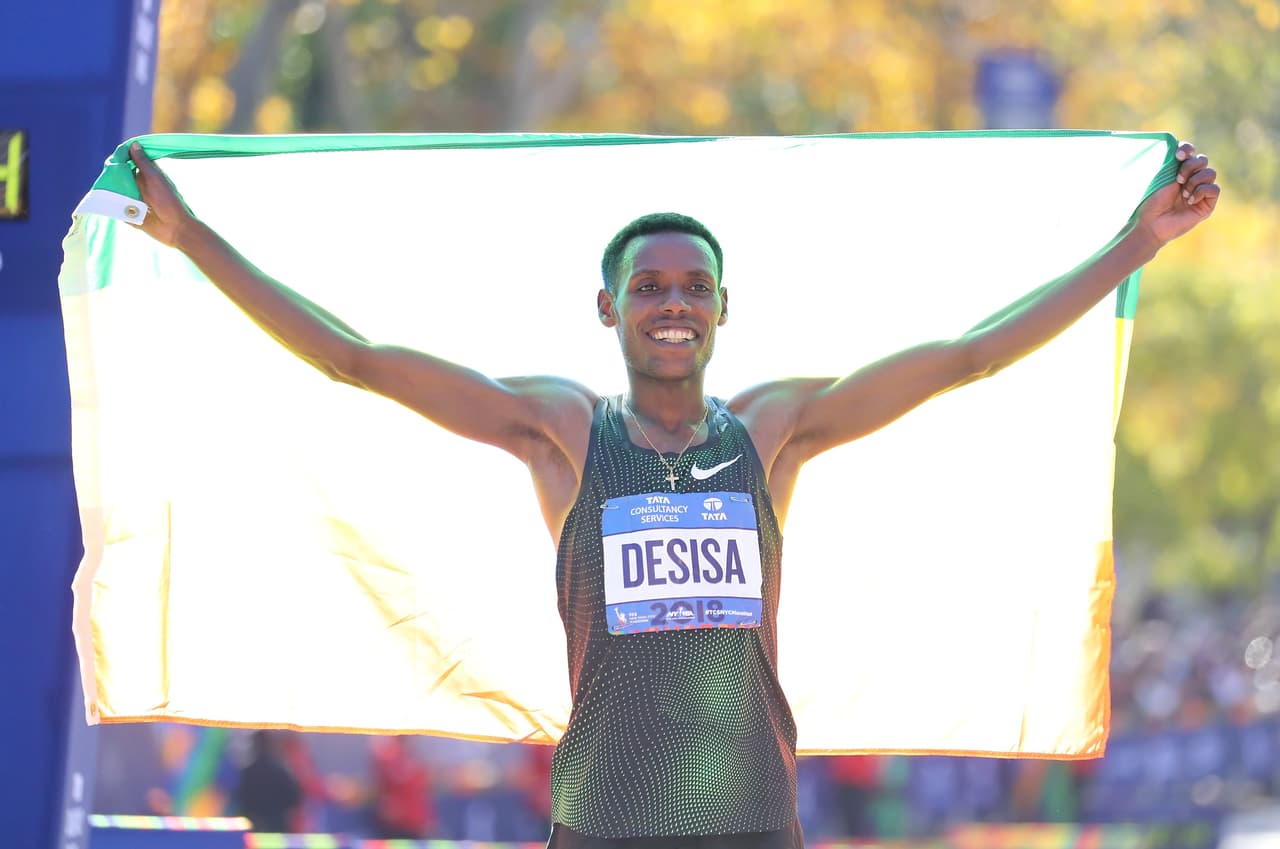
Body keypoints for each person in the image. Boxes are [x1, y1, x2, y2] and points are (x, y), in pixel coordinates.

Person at [126, 140, 1219, 849]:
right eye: (646, 287)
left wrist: (1135, 243)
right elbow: (354, 362)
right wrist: (192, 238)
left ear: (723, 308)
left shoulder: (772, 430)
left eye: (693, 287)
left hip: (753, 824)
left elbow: (971, 357)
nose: (671, 303)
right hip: (602, 823)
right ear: (605, 309)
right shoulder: (563, 431)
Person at [234, 730, 303, 833]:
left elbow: (239, 799)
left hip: (254, 830)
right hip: (276, 830)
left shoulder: (248, 772)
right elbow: (295, 798)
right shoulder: (280, 772)